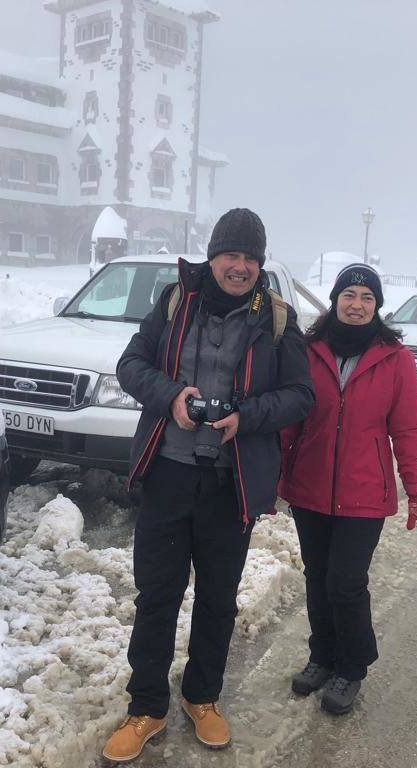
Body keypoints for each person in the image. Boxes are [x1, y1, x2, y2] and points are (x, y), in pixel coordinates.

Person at [102, 208, 314, 762]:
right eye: (231, 255)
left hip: (231, 484)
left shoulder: (277, 319)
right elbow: (130, 365)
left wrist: (247, 415)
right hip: (168, 475)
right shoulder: (176, 302)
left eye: (250, 258)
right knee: (157, 598)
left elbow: (300, 395)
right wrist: (171, 395)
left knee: (218, 600)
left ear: (260, 264)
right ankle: (146, 705)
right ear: (212, 256)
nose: (239, 267)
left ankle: (203, 697)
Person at [278, 263, 417, 715]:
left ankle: (352, 666)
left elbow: (407, 430)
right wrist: (272, 481)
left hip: (365, 492)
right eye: (350, 295)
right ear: (335, 300)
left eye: (367, 297)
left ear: (377, 305)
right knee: (317, 578)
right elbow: (289, 421)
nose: (358, 304)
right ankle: (322, 656)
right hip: (309, 487)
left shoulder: (394, 357)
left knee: (345, 584)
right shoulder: (309, 350)